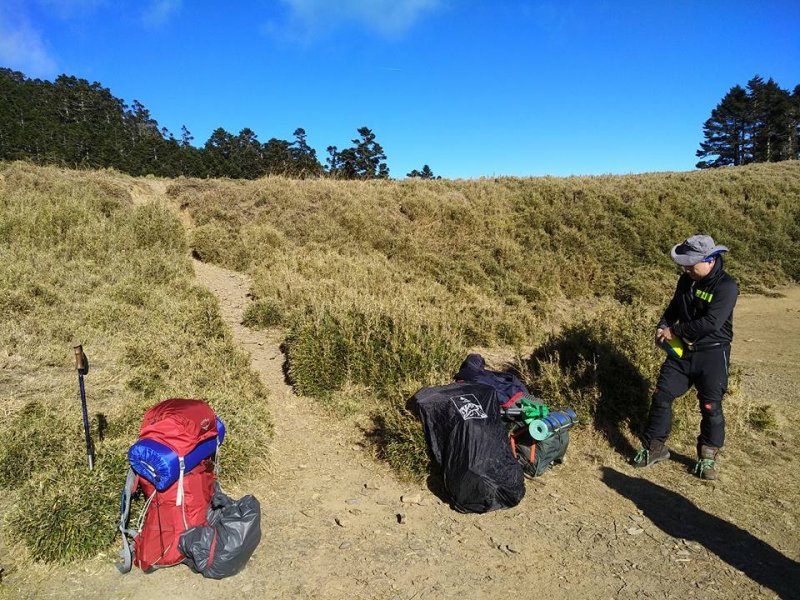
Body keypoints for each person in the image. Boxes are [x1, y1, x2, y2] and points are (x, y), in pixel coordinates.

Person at [633, 234, 738, 480]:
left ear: (710, 260)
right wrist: (662, 326)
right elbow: (673, 309)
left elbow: (712, 323)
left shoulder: (727, 286)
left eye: (691, 263)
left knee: (711, 407)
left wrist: (675, 330)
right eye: (684, 263)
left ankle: (707, 457)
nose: (686, 268)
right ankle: (655, 447)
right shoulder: (686, 280)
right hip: (682, 353)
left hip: (712, 354)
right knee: (662, 395)